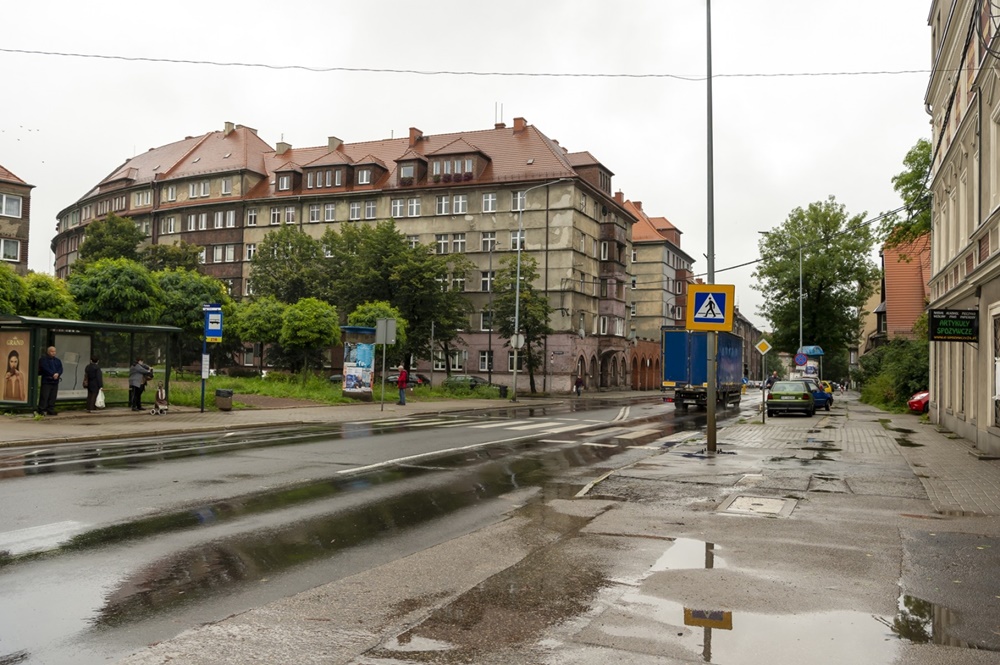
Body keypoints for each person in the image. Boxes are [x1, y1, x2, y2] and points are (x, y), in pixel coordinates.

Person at [36, 346, 63, 416]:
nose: (53, 353)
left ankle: (50, 409)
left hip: (55, 381)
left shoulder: (57, 360)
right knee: (44, 396)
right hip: (47, 380)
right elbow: (45, 368)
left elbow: (60, 368)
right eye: (52, 351)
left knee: (53, 396)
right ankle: (41, 409)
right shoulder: (43, 360)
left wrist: (57, 374)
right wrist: (52, 374)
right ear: (48, 352)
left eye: (54, 351)